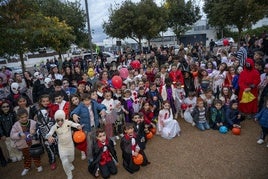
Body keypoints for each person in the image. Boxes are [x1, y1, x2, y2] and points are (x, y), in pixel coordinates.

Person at [70, 92, 106, 165]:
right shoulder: (80, 106)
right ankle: (90, 158)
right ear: (82, 101)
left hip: (95, 127)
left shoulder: (93, 103)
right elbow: (74, 112)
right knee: (89, 145)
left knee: (96, 142)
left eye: (88, 100)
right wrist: (74, 115)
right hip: (87, 129)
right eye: (85, 100)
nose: (87, 102)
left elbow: (101, 106)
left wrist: (103, 110)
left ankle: (97, 155)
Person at [46, 110, 82, 179]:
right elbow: (49, 133)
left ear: (64, 118)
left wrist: (78, 126)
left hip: (70, 145)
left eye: (61, 120)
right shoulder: (55, 126)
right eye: (57, 120)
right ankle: (69, 174)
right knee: (64, 161)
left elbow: (74, 124)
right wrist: (49, 136)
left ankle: (70, 163)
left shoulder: (68, 122)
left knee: (71, 158)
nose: (59, 122)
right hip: (62, 146)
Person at [10, 108, 43, 176]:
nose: (24, 118)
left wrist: (35, 131)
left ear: (28, 115)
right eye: (22, 117)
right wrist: (19, 134)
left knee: (36, 155)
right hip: (23, 144)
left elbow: (39, 130)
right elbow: (12, 135)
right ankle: (27, 167)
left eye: (26, 116)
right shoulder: (16, 125)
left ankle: (38, 165)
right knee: (26, 156)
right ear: (18, 117)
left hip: (33, 143)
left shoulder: (33, 122)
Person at [35, 95, 58, 170]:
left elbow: (57, 120)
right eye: (43, 101)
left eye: (47, 101)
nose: (45, 102)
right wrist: (47, 136)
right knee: (49, 149)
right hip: (46, 135)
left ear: (50, 101)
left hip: (55, 132)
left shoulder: (53, 108)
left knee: (58, 147)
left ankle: (62, 156)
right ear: (40, 102)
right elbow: (40, 125)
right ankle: (52, 161)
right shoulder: (38, 112)